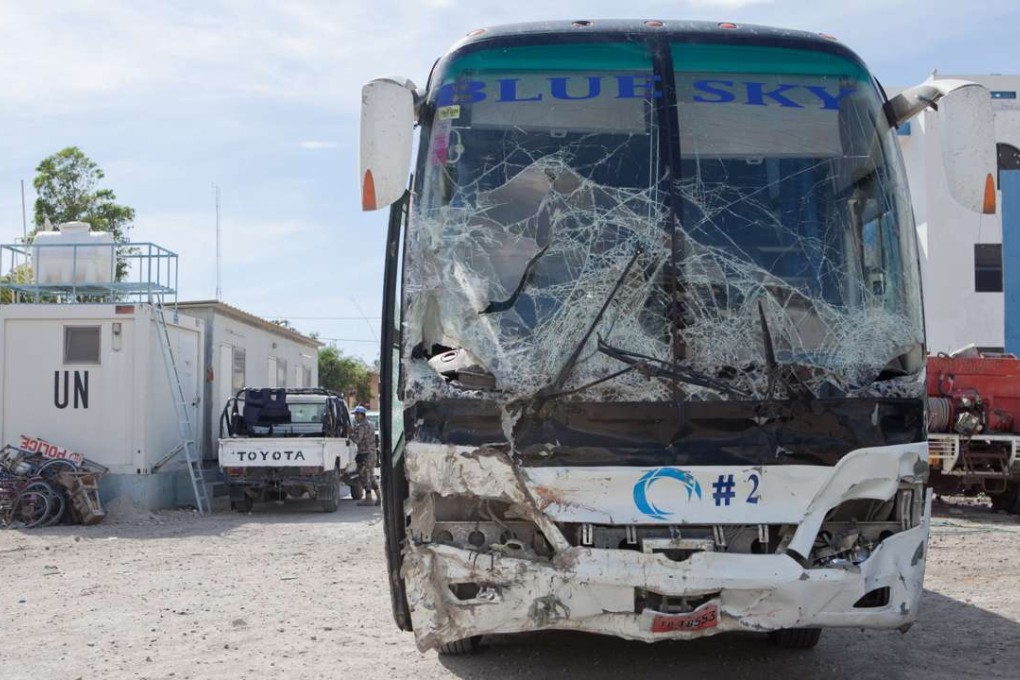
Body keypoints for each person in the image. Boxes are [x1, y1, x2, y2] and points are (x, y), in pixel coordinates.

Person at [352, 405, 380, 506]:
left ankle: (368, 497)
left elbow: (357, 440)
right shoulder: (371, 424)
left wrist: (350, 434)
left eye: (356, 414)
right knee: (370, 475)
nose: (355, 416)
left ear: (361, 415)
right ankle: (378, 496)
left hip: (365, 454)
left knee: (363, 476)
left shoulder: (361, 426)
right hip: (372, 453)